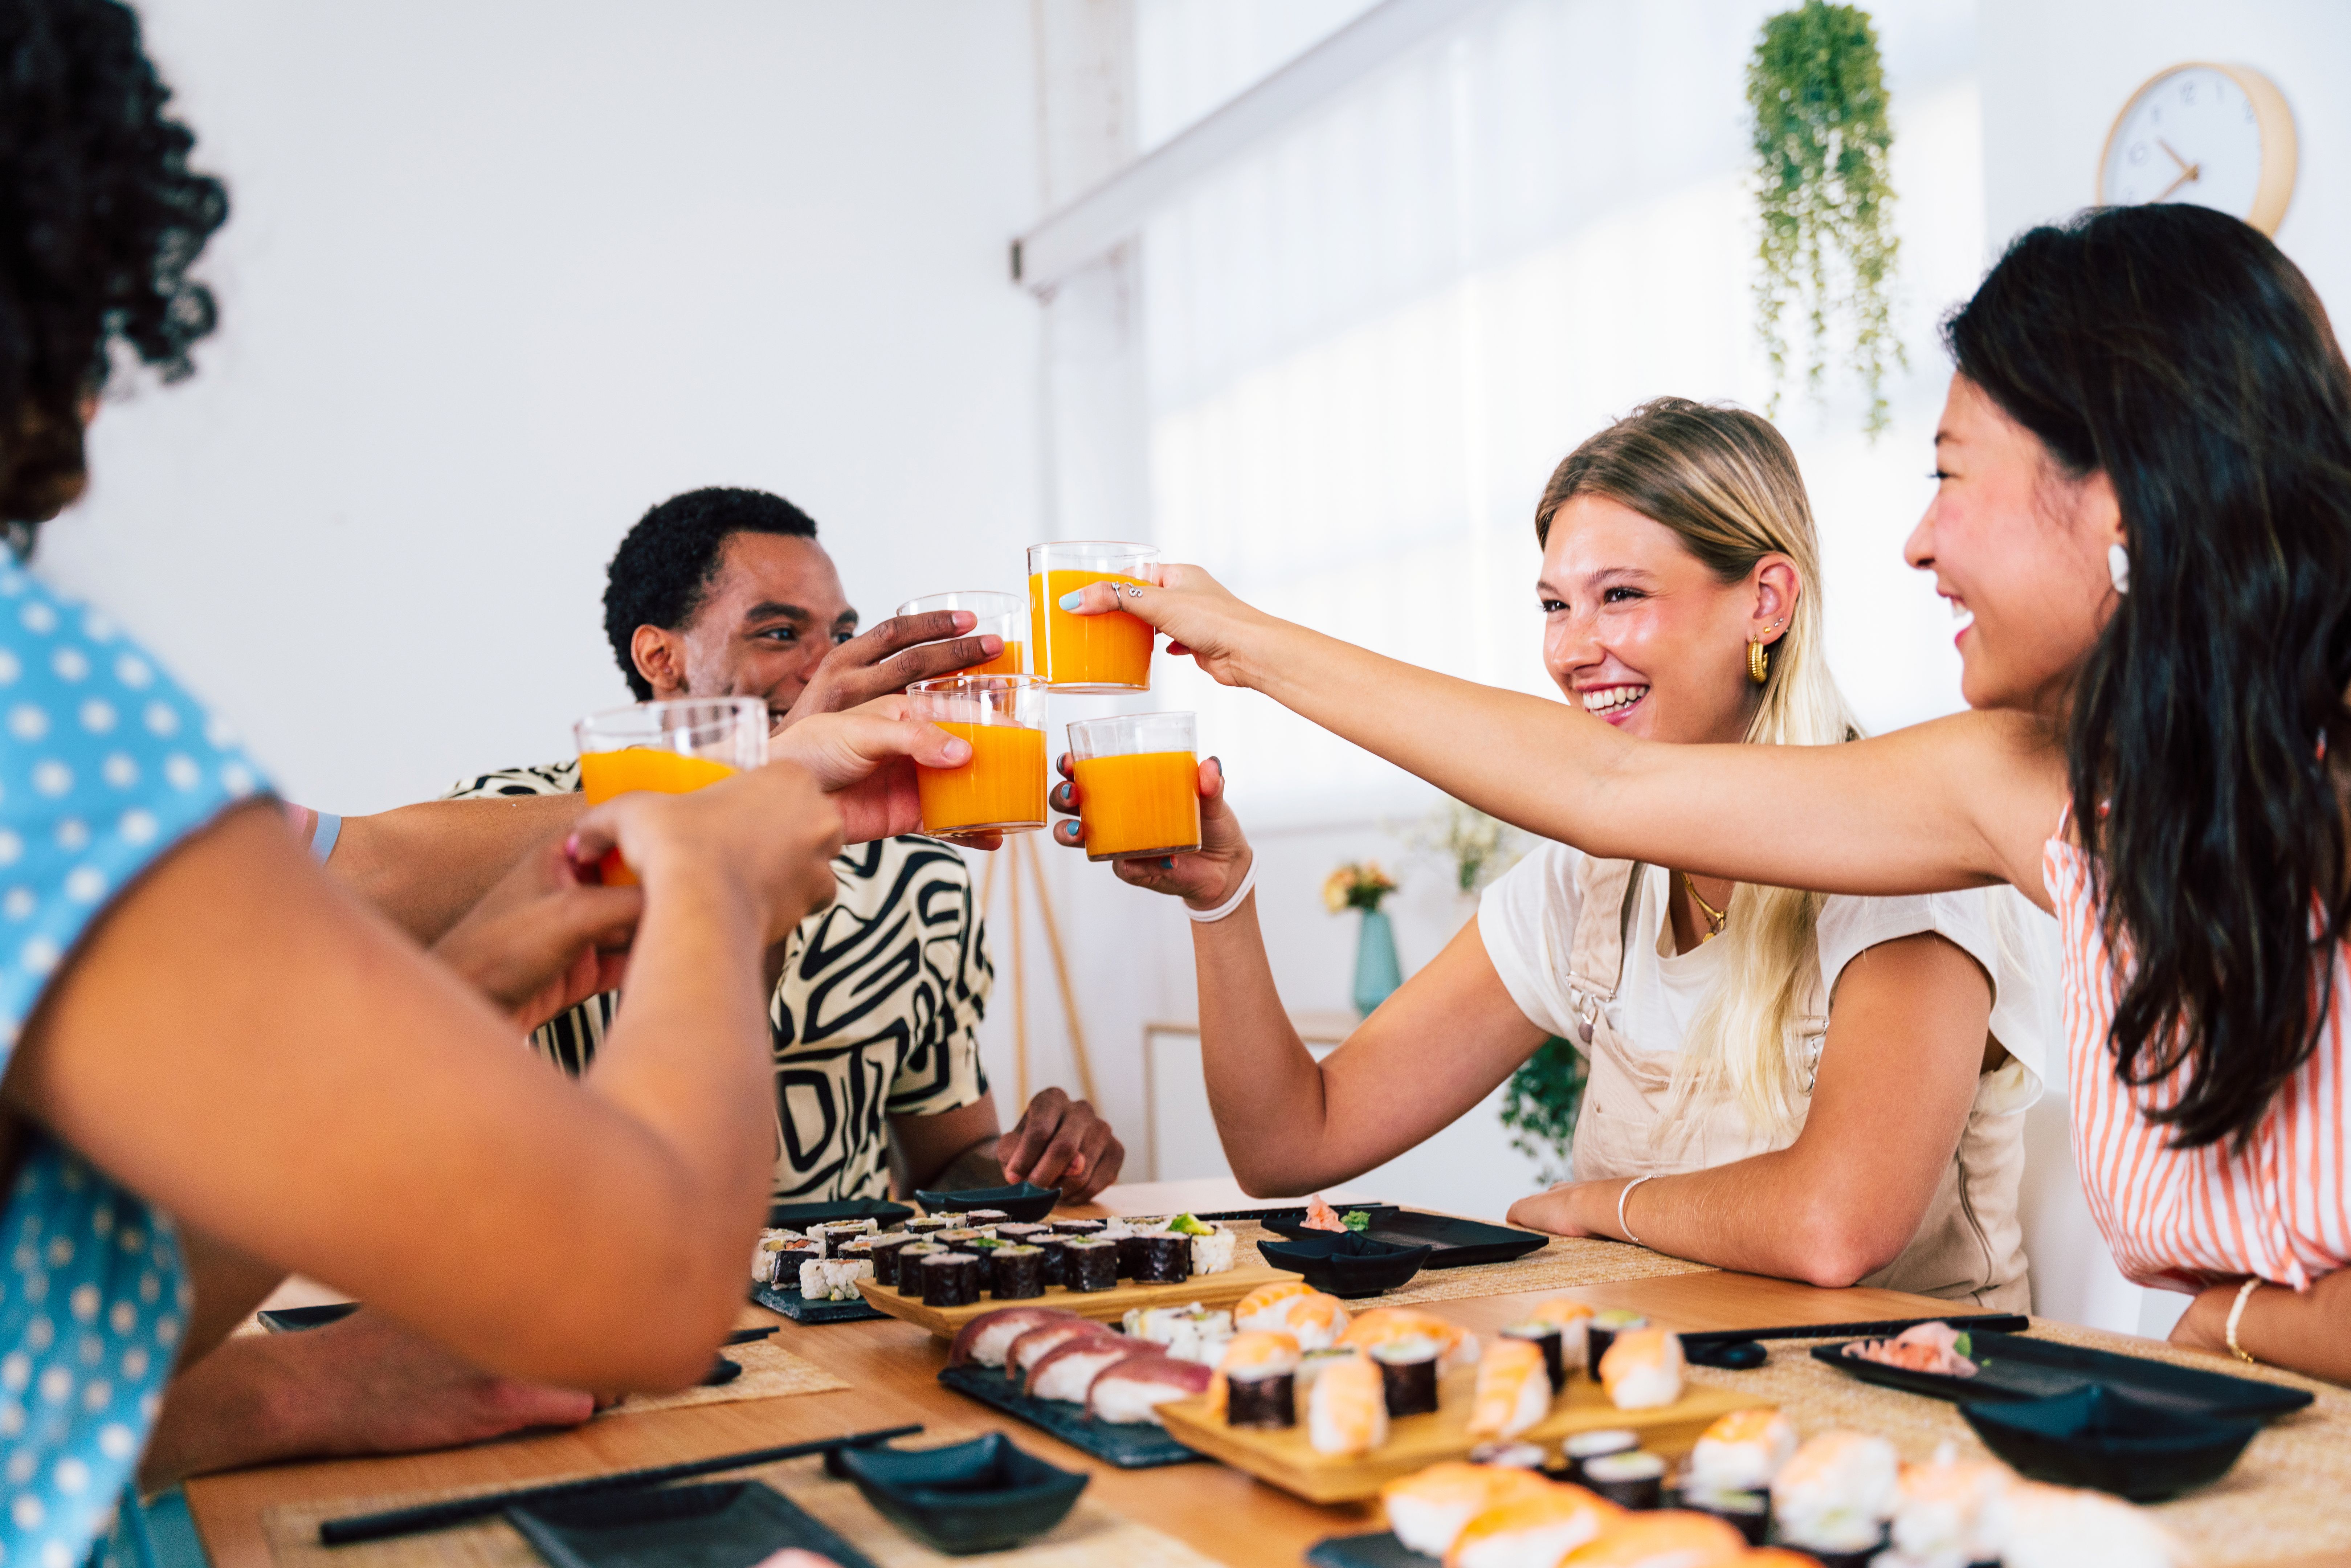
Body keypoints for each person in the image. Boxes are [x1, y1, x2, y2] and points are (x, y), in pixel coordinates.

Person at [1061, 204, 2351, 1384]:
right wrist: (1239, 669)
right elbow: (1598, 787)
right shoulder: (2034, 793)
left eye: (1949, 474)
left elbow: (1837, 1222)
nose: (1915, 541)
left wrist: (2227, 1322)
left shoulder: (2060, 812)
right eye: (1554, 604)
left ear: (2117, 496)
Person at [0, 7, 962, 1561]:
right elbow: (643, 1288)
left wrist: (463, 987)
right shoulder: (41, 711)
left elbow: (42, 1315)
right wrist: (718, 883)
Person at [1056, 400, 2050, 1306]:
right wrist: (1221, 901)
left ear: (1765, 602)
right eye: (1552, 606)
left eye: (1619, 595)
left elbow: (1835, 1226)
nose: (1571, 651)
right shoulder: (1586, 888)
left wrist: (1597, 1205)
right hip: (1661, 1386)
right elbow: (1288, 1144)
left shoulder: (1902, 864)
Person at [448, 486, 1126, 1202]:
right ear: (659, 657)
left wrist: (1033, 1166)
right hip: (603, 1257)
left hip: (846, 1272)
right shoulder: (509, 828)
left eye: (842, 635)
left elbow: (947, 1163)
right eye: (778, 633)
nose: (830, 667)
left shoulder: (917, 870)